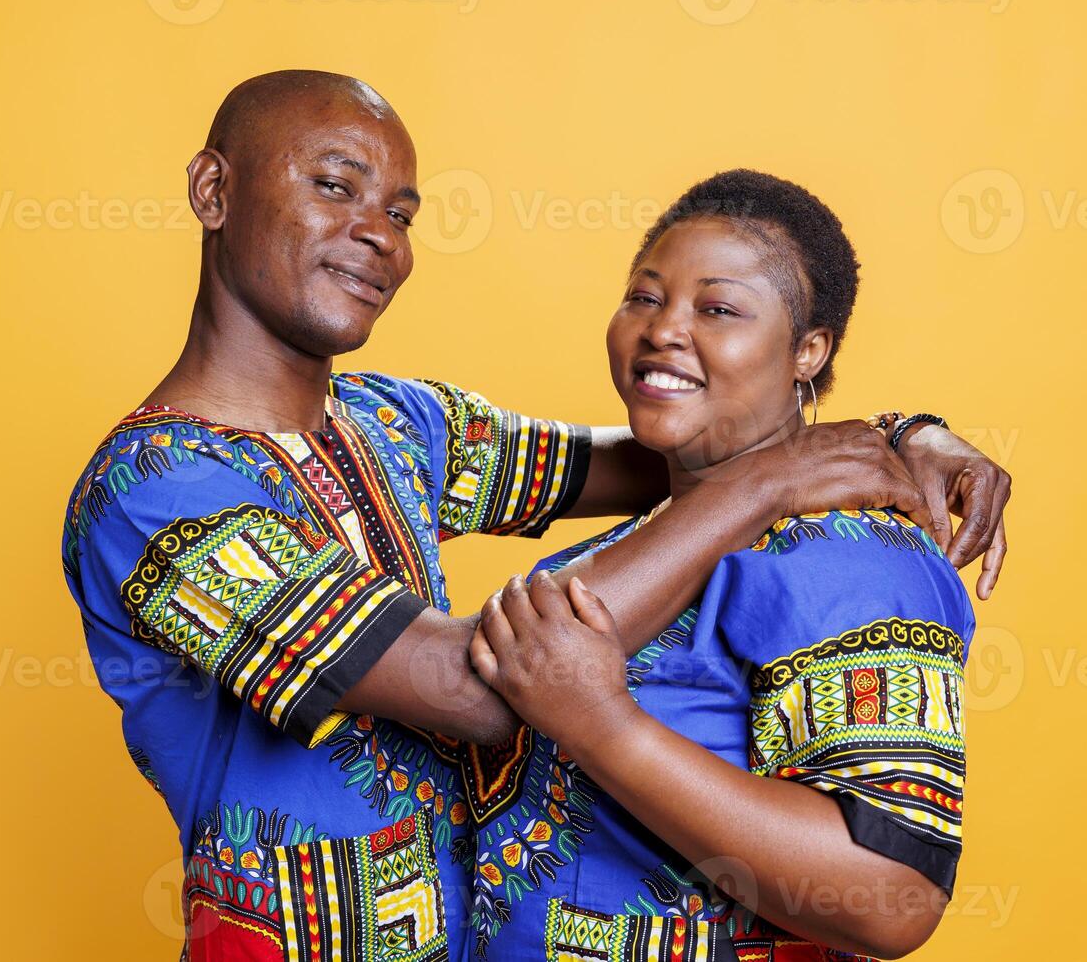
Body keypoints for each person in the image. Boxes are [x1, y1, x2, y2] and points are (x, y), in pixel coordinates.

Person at [59, 71, 1009, 961]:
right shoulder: (154, 491)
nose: (379, 235)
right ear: (213, 191)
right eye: (336, 187)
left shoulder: (396, 425)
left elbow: (667, 444)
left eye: (399, 213)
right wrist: (770, 478)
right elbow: (474, 690)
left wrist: (893, 435)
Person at [468, 170, 987, 961]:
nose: (664, 330)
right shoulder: (630, 542)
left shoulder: (854, 555)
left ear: (808, 349)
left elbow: (891, 896)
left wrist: (606, 726)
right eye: (644, 297)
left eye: (717, 309)